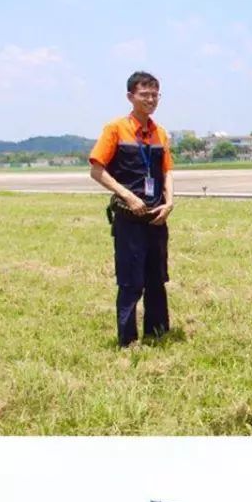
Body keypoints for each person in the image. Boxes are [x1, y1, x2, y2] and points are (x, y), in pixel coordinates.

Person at [89, 71, 175, 347]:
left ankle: (158, 333)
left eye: (155, 94)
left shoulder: (160, 132)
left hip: (156, 217)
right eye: (144, 94)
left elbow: (168, 171)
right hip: (129, 218)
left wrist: (170, 202)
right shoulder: (115, 129)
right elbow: (96, 170)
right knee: (130, 281)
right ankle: (128, 340)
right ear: (130, 96)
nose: (150, 99)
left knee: (157, 278)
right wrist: (128, 197)